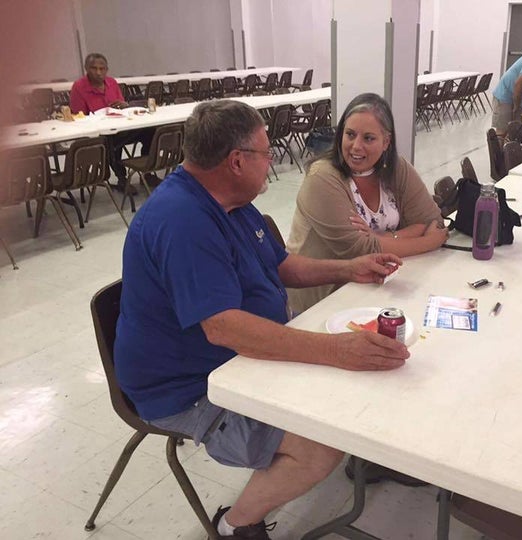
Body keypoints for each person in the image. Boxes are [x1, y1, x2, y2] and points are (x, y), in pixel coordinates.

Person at [114, 100, 410, 540]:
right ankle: (237, 522)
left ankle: (369, 451)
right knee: (319, 445)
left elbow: (280, 264)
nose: (272, 162)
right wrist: (336, 351)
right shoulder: (182, 221)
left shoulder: (231, 200)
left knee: (346, 392)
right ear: (237, 161)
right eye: (266, 153)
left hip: (236, 358)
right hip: (190, 387)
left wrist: (347, 269)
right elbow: (224, 328)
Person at [286, 93, 447, 314]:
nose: (356, 146)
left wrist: (381, 239)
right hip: (324, 302)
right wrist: (429, 241)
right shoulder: (322, 177)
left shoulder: (396, 168)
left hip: (377, 287)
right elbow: (360, 251)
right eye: (350, 134)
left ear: (386, 142)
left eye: (369, 138)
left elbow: (432, 220)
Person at [69, 53, 152, 193]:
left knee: (150, 131)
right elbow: (78, 116)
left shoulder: (111, 82)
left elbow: (122, 104)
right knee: (111, 141)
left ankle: (147, 171)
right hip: (98, 133)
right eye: (94, 68)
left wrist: (123, 105)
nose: (98, 72)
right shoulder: (79, 87)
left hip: (120, 125)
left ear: (107, 69)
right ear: (86, 69)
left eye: (102, 69)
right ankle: (121, 178)